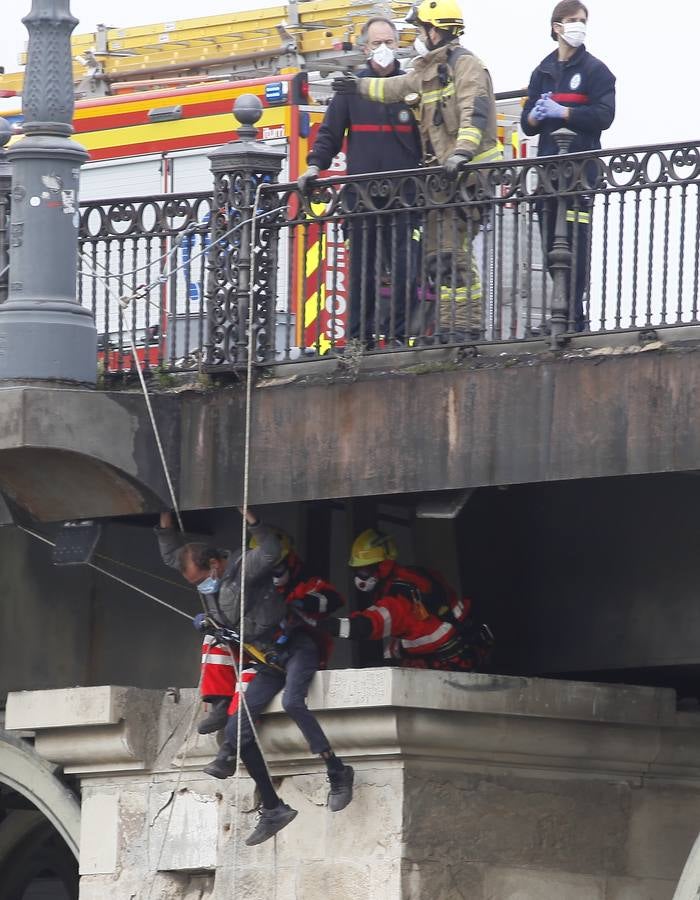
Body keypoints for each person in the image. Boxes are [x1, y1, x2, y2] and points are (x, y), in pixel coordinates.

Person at [331, 0, 502, 341]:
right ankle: (449, 327)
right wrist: (358, 87)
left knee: (456, 254)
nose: (418, 36)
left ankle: (465, 330)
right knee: (439, 256)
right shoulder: (429, 68)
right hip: (443, 181)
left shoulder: (466, 66)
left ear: (435, 30)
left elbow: (474, 114)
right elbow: (394, 88)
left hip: (469, 177)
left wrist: (462, 153)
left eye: (421, 29)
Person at [156, 508, 299, 845]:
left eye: (201, 579)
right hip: (242, 643)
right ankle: (219, 705)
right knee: (212, 640)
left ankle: (230, 751)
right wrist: (165, 524)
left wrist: (253, 521)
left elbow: (269, 551)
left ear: (214, 566)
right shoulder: (204, 568)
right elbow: (170, 556)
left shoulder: (242, 569)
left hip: (270, 655)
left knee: (242, 717)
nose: (200, 586)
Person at [203, 532, 355, 835]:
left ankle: (337, 770)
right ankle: (273, 808)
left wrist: (298, 603)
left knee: (292, 703)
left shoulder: (302, 582)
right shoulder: (247, 588)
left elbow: (333, 599)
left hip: (299, 649)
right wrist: (211, 622)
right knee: (236, 732)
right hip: (269, 661)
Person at [298, 16, 423, 347]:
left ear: (399, 46)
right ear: (366, 48)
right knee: (363, 272)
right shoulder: (351, 89)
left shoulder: (411, 86)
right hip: (361, 196)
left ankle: (397, 336)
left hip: (404, 195)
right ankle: (358, 339)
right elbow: (330, 134)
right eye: (377, 43)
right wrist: (314, 166)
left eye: (390, 43)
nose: (383, 49)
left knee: (405, 271)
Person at [521, 1, 616, 332]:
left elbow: (604, 116)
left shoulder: (596, 71)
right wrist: (536, 114)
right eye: (573, 20)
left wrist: (565, 114)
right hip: (548, 173)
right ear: (556, 27)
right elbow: (527, 123)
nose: (580, 26)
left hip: (579, 176)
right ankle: (563, 310)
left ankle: (573, 316)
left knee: (574, 243)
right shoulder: (543, 71)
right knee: (551, 245)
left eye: (583, 21)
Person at [319, 528, 493, 670]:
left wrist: (328, 625)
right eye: (356, 572)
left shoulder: (398, 597)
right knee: (387, 659)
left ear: (382, 566)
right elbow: (413, 628)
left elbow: (370, 624)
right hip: (462, 648)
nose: (359, 579)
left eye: (364, 571)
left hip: (448, 662)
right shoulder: (413, 577)